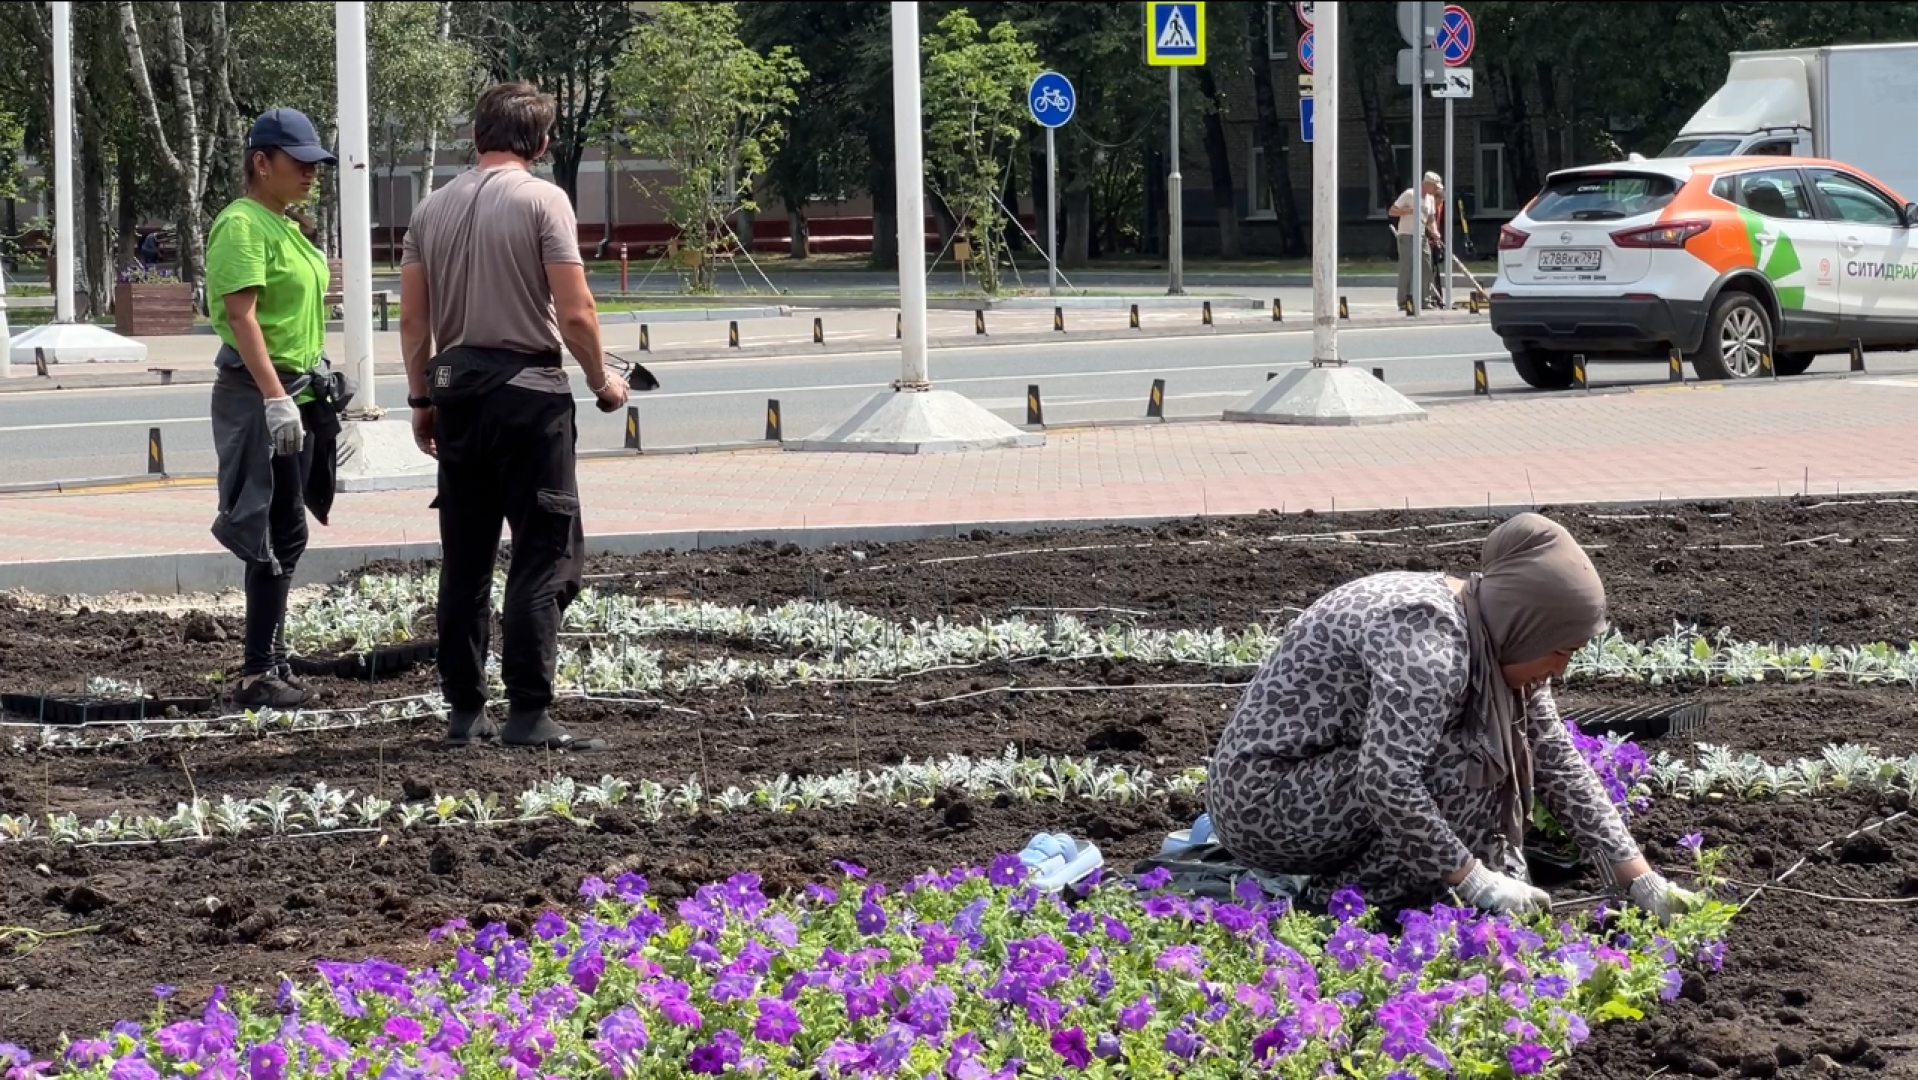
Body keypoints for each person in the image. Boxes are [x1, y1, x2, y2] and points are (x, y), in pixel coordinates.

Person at [1205, 513, 1699, 920]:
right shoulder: (1429, 646)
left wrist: (1638, 876)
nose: (1560, 669)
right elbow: (1387, 780)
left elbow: (1553, 755)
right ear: (1526, 626)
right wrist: (1474, 879)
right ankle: (1349, 902)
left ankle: (1421, 891)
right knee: (1464, 758)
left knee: (1481, 749)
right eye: (1560, 651)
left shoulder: (1492, 630)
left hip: (1324, 788)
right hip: (1263, 806)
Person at [400, 81, 629, 752]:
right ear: (543, 143)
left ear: (476, 136)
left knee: (465, 560)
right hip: (529, 399)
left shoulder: (429, 209)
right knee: (543, 553)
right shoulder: (543, 200)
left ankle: (464, 711)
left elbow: (413, 322)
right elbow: (577, 312)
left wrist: (421, 400)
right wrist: (603, 382)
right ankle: (529, 711)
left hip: (457, 398)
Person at [207, 108, 347, 710]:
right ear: (261, 163)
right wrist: (274, 397)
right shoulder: (242, 225)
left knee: (289, 529)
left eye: (317, 163)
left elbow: (293, 317)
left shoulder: (287, 224)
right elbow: (242, 319)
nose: (312, 172)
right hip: (262, 394)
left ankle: (274, 656)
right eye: (300, 162)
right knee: (271, 530)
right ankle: (257, 671)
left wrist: (318, 373)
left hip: (299, 393)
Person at [1389, 171, 1444, 312]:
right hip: (1406, 235)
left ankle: (1424, 300)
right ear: (1427, 184)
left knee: (1426, 266)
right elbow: (1392, 211)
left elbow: (1430, 219)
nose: (1436, 190)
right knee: (1407, 268)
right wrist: (1406, 212)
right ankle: (1403, 301)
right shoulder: (1410, 194)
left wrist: (1435, 231)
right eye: (1434, 186)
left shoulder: (1430, 199)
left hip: (1421, 236)